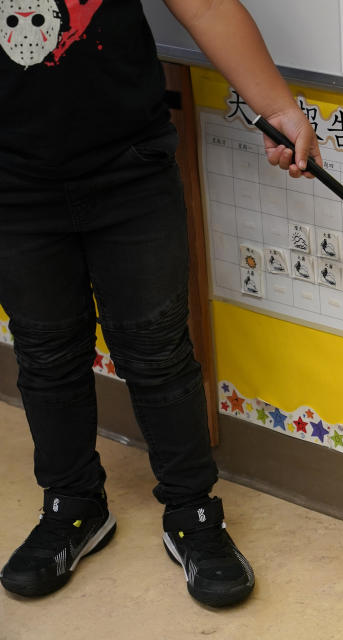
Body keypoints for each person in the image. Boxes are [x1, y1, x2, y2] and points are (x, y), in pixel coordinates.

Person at [0, 0, 320, 607]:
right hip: (12, 184)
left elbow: (204, 5)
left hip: (129, 169)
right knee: (44, 347)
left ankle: (193, 512)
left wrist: (278, 108)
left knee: (157, 348)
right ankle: (71, 506)